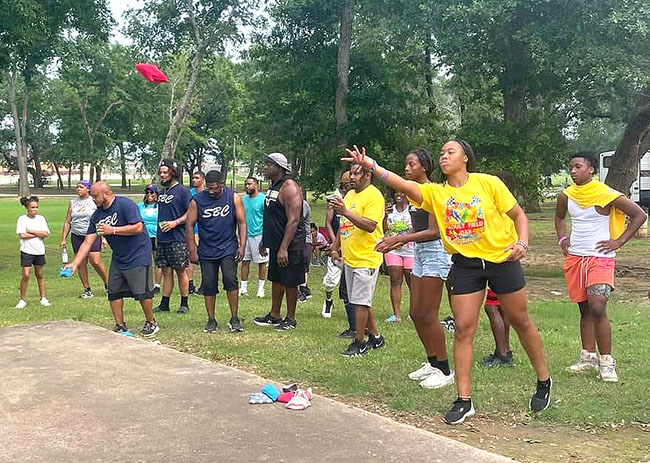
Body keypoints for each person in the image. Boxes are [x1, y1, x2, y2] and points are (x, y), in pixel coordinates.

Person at [343, 141, 551, 424]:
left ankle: (543, 380)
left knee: (520, 319)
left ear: (465, 158)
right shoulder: (437, 193)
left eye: (450, 152)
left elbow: (518, 215)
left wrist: (523, 243)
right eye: (441, 153)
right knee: (464, 328)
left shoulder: (488, 183)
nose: (444, 156)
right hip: (466, 265)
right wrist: (372, 167)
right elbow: (404, 185)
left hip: (502, 259)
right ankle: (464, 400)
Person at [555, 153, 645, 382]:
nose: (573, 171)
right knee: (584, 309)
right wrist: (563, 240)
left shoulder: (606, 194)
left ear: (591, 169)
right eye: (571, 167)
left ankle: (606, 361)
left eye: (578, 166)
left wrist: (618, 242)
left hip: (601, 258)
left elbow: (639, 215)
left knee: (597, 306)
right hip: (576, 258)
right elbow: (559, 218)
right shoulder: (566, 196)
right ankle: (587, 357)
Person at [376, 148, 454, 389]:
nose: (407, 169)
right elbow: (416, 230)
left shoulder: (433, 192)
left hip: (435, 252)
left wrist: (399, 240)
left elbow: (434, 231)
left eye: (411, 165)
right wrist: (395, 238)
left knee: (429, 313)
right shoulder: (412, 195)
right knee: (416, 313)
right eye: (406, 165)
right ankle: (432, 362)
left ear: (424, 167)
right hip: (419, 252)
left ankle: (444, 369)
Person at [64, 182, 159, 337]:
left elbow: (138, 227)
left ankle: (151, 322)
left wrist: (112, 230)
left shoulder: (125, 204)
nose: (93, 199)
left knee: (142, 292)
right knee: (114, 291)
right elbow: (88, 241)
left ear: (106, 194)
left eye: (95, 196)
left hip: (138, 253)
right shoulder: (97, 215)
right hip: (119, 256)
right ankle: (120, 326)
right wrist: (74, 264)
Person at [331, 164, 386, 357]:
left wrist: (346, 212)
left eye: (356, 173)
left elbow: (370, 226)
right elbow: (344, 224)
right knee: (359, 300)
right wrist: (335, 246)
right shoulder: (350, 195)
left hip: (367, 256)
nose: (351, 177)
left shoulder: (374, 196)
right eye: (351, 173)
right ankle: (376, 338)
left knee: (360, 302)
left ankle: (360, 342)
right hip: (351, 256)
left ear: (368, 175)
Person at [186, 170, 247, 333]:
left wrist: (242, 246)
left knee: (230, 280)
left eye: (214, 188)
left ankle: (234, 318)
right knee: (209, 284)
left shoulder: (233, 197)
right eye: (209, 188)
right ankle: (211, 320)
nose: (211, 191)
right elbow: (189, 225)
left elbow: (242, 222)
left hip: (228, 246)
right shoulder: (197, 200)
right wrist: (192, 249)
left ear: (222, 183)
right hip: (206, 249)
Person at [253, 153, 306, 331]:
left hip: (291, 244)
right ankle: (275, 315)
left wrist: (284, 247)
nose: (265, 167)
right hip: (276, 242)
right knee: (276, 279)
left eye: (269, 165)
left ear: (280, 168)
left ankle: (291, 319)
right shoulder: (274, 186)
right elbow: (271, 216)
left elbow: (293, 220)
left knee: (290, 280)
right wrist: (265, 240)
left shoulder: (289, 187)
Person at [155, 158, 192, 314]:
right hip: (162, 238)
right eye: (160, 172)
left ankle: (184, 303)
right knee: (165, 270)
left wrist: (175, 223)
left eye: (165, 172)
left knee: (180, 270)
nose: (162, 175)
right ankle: (165, 303)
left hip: (178, 238)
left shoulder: (182, 191)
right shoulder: (162, 192)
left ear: (173, 172)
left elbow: (191, 212)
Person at [60, 180, 109, 298]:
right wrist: (63, 239)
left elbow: (100, 220)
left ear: (88, 189)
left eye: (81, 187)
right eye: (77, 187)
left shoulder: (94, 201)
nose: (78, 189)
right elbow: (68, 221)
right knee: (81, 263)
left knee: (95, 261)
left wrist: (103, 238)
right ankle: (87, 289)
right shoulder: (73, 202)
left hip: (92, 234)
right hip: (77, 235)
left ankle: (108, 284)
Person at [322, 171, 352, 320]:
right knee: (331, 281)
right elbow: (328, 223)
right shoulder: (334, 199)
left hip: (351, 245)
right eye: (346, 184)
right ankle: (328, 301)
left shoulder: (356, 198)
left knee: (351, 282)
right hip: (336, 244)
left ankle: (352, 312)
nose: (348, 187)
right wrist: (335, 244)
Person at [382, 191, 414, 323]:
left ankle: (413, 313)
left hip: (411, 250)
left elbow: (417, 228)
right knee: (395, 281)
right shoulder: (390, 210)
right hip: (393, 250)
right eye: (396, 193)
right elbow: (384, 229)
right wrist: (385, 216)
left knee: (412, 283)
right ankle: (396, 315)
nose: (398, 195)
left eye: (402, 193)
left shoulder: (412, 209)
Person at [15, 196, 51, 309]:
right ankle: (22, 300)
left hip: (39, 251)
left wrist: (31, 231)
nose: (35, 210)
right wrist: (38, 233)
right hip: (26, 251)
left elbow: (45, 234)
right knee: (26, 275)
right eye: (32, 207)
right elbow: (22, 235)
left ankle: (43, 297)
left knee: (39, 274)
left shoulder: (41, 219)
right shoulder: (22, 219)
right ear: (27, 208)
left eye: (36, 207)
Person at [240, 176, 268, 298]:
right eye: (246, 184)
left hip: (259, 234)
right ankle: (243, 288)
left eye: (250, 184)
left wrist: (265, 238)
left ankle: (261, 288)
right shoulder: (244, 200)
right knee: (245, 261)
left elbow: (268, 220)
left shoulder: (263, 199)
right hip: (246, 235)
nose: (247, 186)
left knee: (261, 262)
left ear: (256, 185)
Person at [138, 184, 163, 293]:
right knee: (143, 260)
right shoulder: (140, 206)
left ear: (156, 194)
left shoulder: (160, 206)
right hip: (143, 236)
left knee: (157, 261)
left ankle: (157, 285)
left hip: (156, 236)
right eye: (147, 192)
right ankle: (144, 283)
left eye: (152, 192)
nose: (149, 194)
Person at [188, 171, 205, 295]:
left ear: (203, 180)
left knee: (205, 258)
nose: (194, 180)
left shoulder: (207, 193)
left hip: (205, 230)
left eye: (197, 178)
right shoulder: (189, 194)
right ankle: (190, 284)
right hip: (192, 230)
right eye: (193, 178)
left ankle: (205, 284)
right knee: (190, 257)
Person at [298, 199, 313, 303]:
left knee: (303, 264)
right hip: (295, 239)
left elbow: (297, 220)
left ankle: (303, 290)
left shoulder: (303, 204)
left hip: (305, 239)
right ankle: (304, 289)